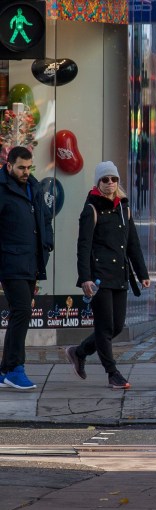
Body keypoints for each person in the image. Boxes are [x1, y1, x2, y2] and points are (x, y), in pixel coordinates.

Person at [66, 161, 150, 389]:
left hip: (120, 275)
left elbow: (132, 243)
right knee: (104, 328)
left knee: (116, 326)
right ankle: (112, 373)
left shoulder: (124, 208)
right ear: (98, 182)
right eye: (105, 180)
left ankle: (79, 351)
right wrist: (85, 278)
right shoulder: (91, 209)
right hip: (99, 277)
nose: (110, 184)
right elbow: (83, 246)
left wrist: (142, 273)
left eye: (114, 179)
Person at [0, 146, 52, 390]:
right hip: (10, 262)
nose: (25, 171)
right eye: (21, 167)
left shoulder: (34, 186)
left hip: (31, 261)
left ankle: (4, 371)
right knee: (22, 311)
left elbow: (44, 218)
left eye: (28, 167)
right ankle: (15, 368)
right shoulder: (2, 189)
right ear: (8, 165)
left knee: (18, 313)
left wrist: (47, 244)